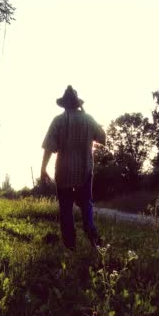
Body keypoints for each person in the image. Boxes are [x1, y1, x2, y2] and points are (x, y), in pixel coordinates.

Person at [40, 85, 106, 250]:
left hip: (63, 173)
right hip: (85, 171)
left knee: (66, 211)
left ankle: (71, 247)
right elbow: (102, 138)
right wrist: (90, 117)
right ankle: (94, 241)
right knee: (86, 206)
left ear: (64, 105)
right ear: (78, 104)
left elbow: (49, 146)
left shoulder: (58, 121)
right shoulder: (88, 119)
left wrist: (43, 169)